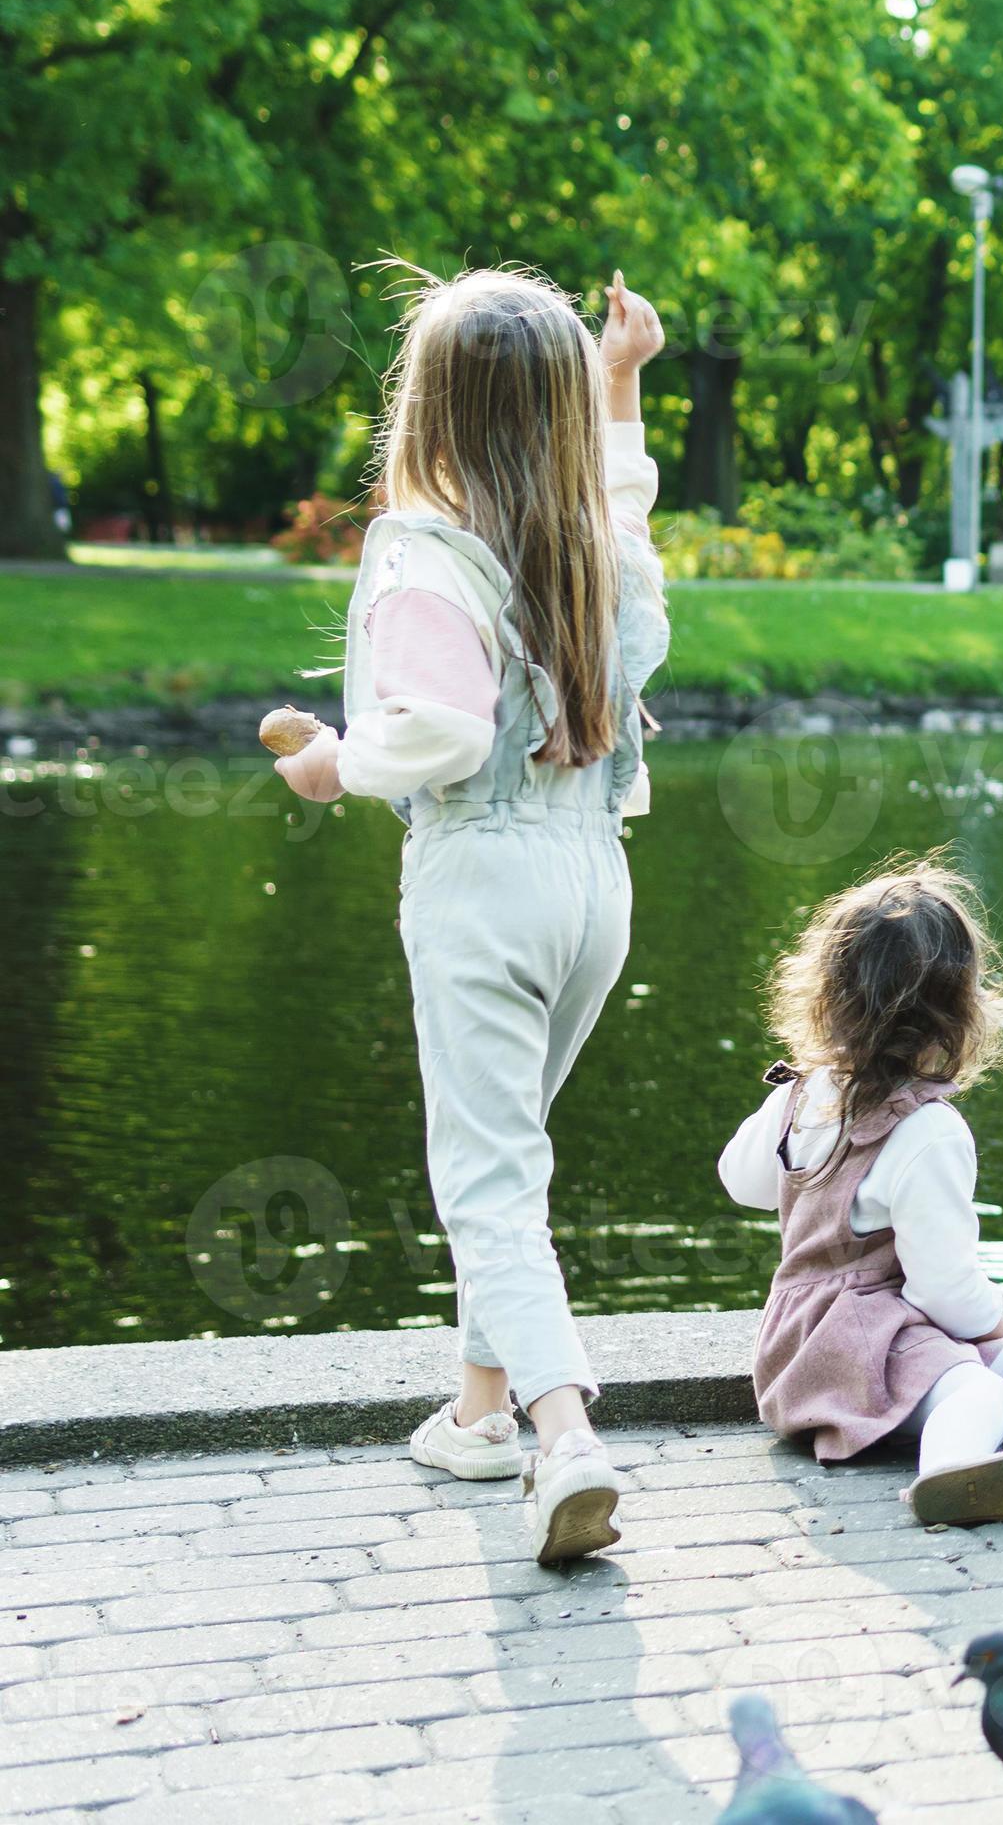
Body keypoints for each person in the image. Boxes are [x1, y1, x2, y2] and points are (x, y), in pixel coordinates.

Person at [271, 266, 670, 1566]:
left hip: (484, 880)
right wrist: (622, 384)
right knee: (511, 1161)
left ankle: (566, 1437)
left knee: (489, 1184)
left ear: (426, 406)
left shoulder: (423, 554)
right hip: (593, 881)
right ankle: (480, 1413)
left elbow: (439, 731)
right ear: (558, 411)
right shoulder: (589, 543)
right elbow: (625, 497)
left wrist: (334, 762)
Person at [719, 859, 1003, 1524]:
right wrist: (986, 1334)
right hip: (857, 1358)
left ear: (827, 996)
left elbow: (744, 1184)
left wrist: (792, 1105)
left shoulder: (800, 1095)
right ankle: (951, 1473)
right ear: (960, 1011)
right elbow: (943, 1286)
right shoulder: (928, 1130)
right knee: (982, 1390)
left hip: (793, 1350)